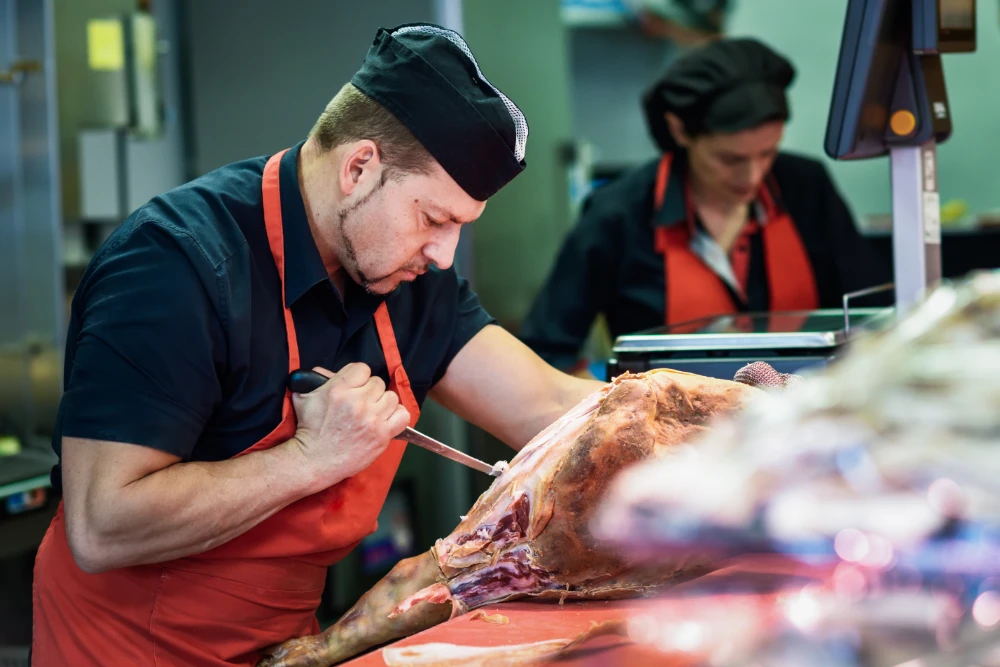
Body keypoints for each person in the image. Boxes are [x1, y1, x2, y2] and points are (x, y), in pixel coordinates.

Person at [32, 23, 603, 666]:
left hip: (284, 646)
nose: (443, 256)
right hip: (125, 649)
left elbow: (549, 403)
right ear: (359, 168)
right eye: (433, 219)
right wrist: (310, 457)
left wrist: (719, 426)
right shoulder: (174, 267)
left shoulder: (408, 283)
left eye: (460, 227)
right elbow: (101, 525)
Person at [519, 37, 891, 374]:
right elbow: (548, 351)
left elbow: (876, 320)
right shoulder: (618, 214)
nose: (753, 175)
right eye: (731, 160)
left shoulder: (806, 187)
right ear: (680, 131)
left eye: (767, 154)